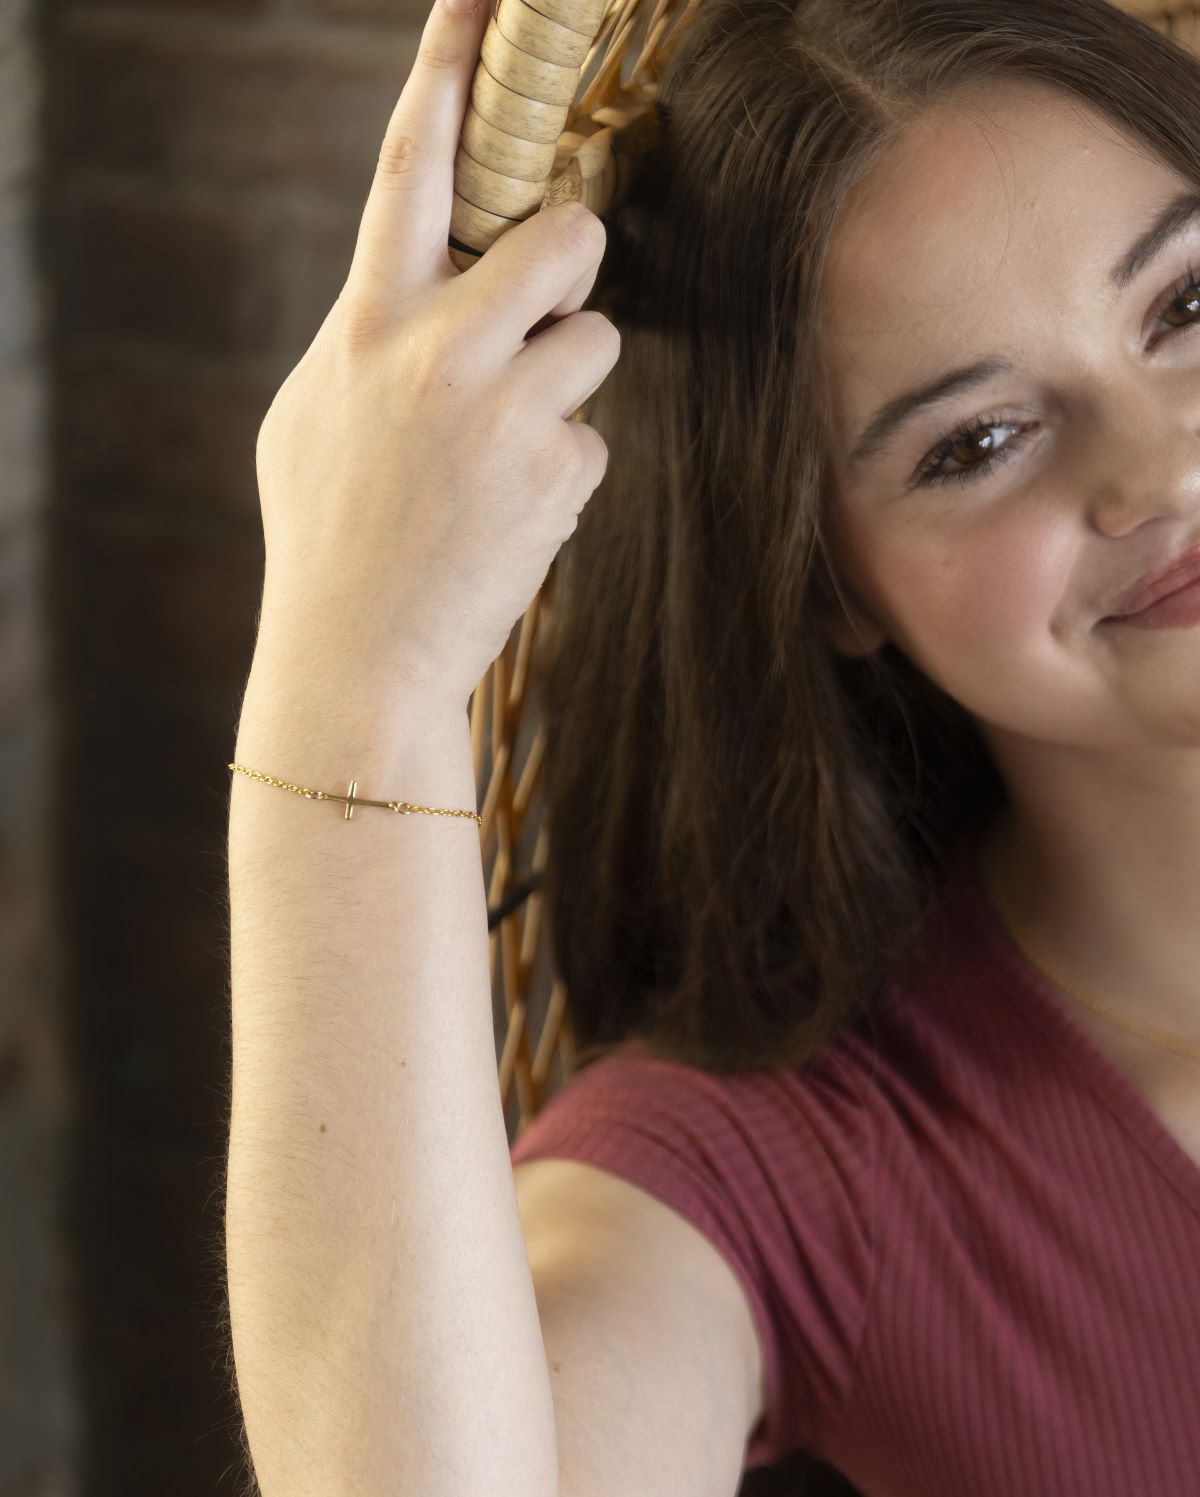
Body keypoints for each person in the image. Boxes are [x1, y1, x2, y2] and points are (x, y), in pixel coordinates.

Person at [224, 1, 1200, 1495]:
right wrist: (355, 686)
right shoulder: (793, 1164)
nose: (1161, 466)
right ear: (832, 584)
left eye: (1189, 304)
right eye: (977, 441)